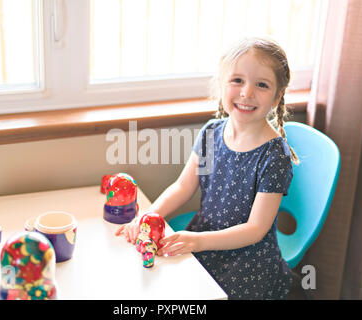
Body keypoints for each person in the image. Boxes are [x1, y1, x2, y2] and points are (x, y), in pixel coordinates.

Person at [115, 37, 299, 300]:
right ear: (222, 85)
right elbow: (182, 187)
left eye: (261, 85)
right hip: (202, 237)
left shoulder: (274, 155)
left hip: (248, 262)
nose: (247, 92)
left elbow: (255, 229)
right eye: (237, 80)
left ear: (277, 95)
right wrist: (146, 215)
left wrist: (198, 241)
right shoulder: (211, 133)